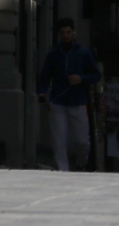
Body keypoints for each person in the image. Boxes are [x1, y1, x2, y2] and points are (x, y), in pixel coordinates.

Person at [36, 19, 101, 172]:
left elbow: (96, 75)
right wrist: (42, 93)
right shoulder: (53, 55)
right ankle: (62, 169)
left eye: (68, 32)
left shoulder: (84, 53)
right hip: (57, 102)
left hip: (78, 102)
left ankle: (82, 162)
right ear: (59, 34)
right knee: (59, 139)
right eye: (63, 33)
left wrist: (81, 78)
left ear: (73, 33)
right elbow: (45, 76)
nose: (65, 36)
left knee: (82, 141)